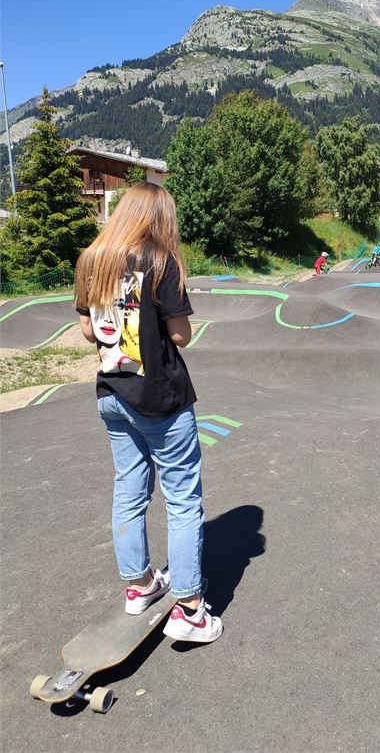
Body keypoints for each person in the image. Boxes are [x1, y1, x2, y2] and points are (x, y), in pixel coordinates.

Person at [74, 182, 223, 644]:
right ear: (159, 219)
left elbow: (86, 329)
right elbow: (181, 336)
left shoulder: (92, 258)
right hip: (159, 398)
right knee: (181, 499)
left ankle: (139, 586)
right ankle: (190, 609)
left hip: (112, 393)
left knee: (129, 491)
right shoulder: (162, 261)